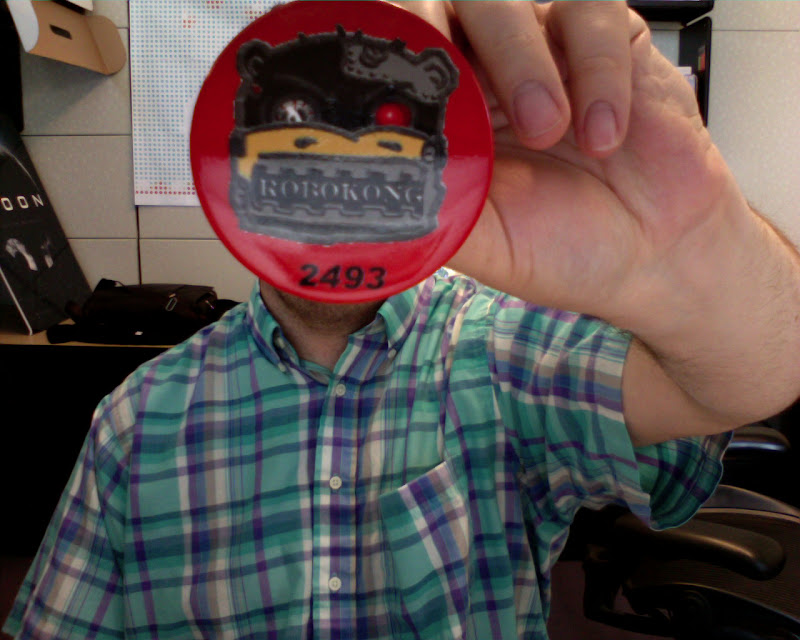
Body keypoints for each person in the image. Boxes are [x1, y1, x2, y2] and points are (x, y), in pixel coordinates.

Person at [5, 2, 800, 639]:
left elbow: (755, 375)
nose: (336, 162)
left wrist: (681, 250)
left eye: (379, 132)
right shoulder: (137, 422)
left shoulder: (505, 355)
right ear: (239, 158)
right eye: (299, 131)